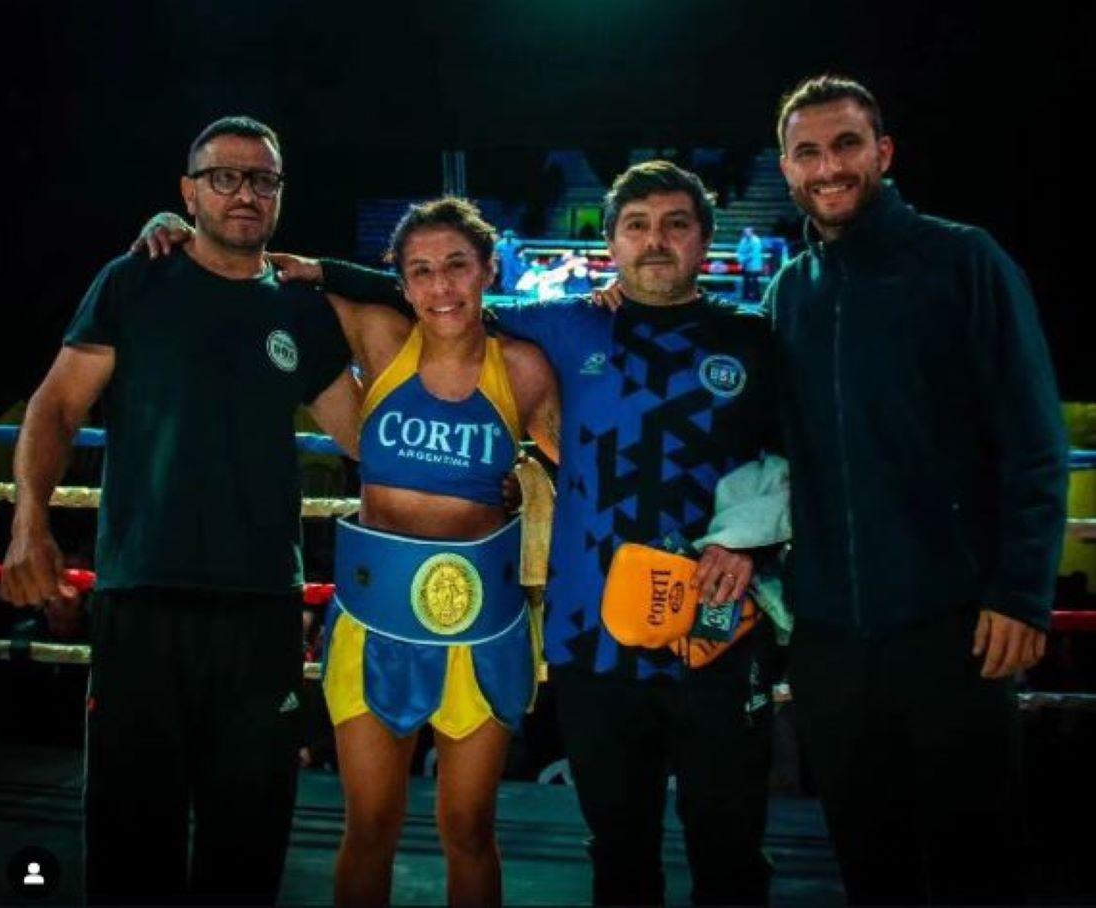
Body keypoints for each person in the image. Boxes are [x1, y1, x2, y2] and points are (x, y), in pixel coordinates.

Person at [316, 160, 787, 906]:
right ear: (611, 244)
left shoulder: (753, 339)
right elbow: (412, 297)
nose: (655, 241)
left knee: (727, 848)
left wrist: (755, 537)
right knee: (618, 847)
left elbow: (796, 455)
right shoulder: (565, 325)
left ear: (705, 239)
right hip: (589, 631)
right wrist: (290, 260)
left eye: (675, 225)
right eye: (636, 226)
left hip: (715, 625)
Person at [131, 197, 560, 908]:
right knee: (369, 827)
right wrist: (174, 233)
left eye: (457, 266)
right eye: (420, 270)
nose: (441, 286)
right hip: (374, 623)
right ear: (399, 279)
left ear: (489, 267)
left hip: (482, 630)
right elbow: (258, 271)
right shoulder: (378, 333)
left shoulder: (523, 367)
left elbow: (584, 466)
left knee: (470, 828)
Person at [0, 116, 360, 905]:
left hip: (261, 606)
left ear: (279, 195)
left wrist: (480, 470)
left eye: (262, 179)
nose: (245, 192)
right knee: (131, 835)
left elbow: (366, 437)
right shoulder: (134, 281)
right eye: (225, 176)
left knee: (249, 837)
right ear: (188, 190)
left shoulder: (302, 311)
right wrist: (29, 522)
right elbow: (56, 406)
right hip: (142, 595)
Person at [768, 75, 1069, 904]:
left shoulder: (964, 259)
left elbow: (1033, 441)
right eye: (808, 153)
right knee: (871, 871)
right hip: (831, 642)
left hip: (958, 628)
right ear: (787, 170)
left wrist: (1021, 592)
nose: (829, 167)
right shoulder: (789, 291)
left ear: (883, 152)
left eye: (846, 145)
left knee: (976, 870)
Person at [735, 226, 764, 302]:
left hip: (754, 265)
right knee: (746, 281)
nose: (746, 234)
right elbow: (739, 251)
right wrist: (741, 260)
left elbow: (753, 254)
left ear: (751, 232)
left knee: (755, 282)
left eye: (748, 232)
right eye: (745, 232)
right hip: (745, 265)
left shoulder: (756, 241)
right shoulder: (743, 240)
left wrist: (743, 259)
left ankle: (757, 297)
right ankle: (746, 296)